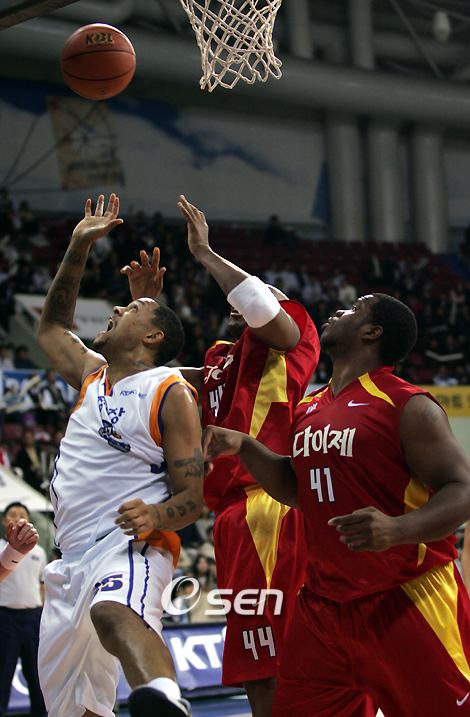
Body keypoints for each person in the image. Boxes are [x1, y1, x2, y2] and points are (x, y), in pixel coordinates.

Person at [203, 293, 470, 717]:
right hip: (322, 608)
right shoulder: (309, 408)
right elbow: (297, 487)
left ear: (372, 332)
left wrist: (398, 529)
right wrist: (245, 446)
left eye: (354, 309)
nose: (337, 311)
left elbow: (462, 489)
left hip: (404, 597)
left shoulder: (407, 404)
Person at [122, 195, 320, 717]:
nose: (244, 298)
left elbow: (263, 309)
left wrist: (206, 255)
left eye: (259, 290)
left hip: (267, 501)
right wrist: (145, 310)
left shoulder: (294, 336)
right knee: (254, 652)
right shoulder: (218, 359)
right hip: (231, 514)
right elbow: (144, 377)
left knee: (276, 651)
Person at [35, 194, 204, 717]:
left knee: (113, 612)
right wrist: (78, 246)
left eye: (129, 310)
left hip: (128, 541)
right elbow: (50, 329)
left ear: (152, 336)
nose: (114, 309)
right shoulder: (93, 376)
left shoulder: (170, 390)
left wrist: (155, 515)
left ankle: (167, 701)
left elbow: (193, 499)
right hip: (69, 557)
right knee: (76, 710)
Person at [0, 502, 46, 717]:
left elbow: (42, 584)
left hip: (34, 617)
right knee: (3, 674)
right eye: (13, 514)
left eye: (23, 514)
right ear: (4, 520)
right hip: (6, 616)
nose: (18, 517)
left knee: (38, 676)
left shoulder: (40, 552)